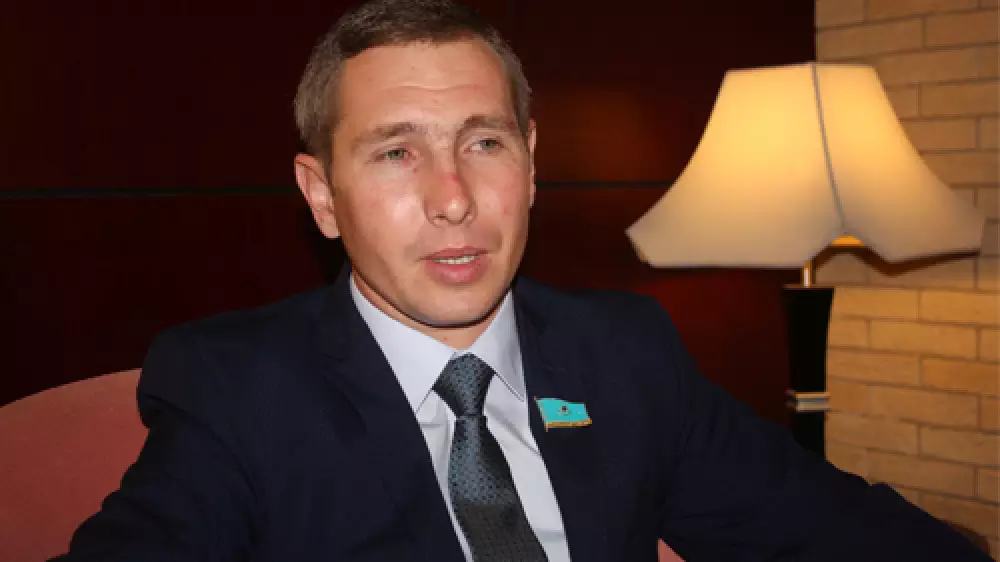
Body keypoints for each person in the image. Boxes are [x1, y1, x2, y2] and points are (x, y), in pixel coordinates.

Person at [55, 1, 990, 560]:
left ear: (532, 164)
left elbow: (823, 530)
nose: (454, 199)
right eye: (395, 153)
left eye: (485, 143)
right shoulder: (234, 387)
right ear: (322, 196)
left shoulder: (624, 352)